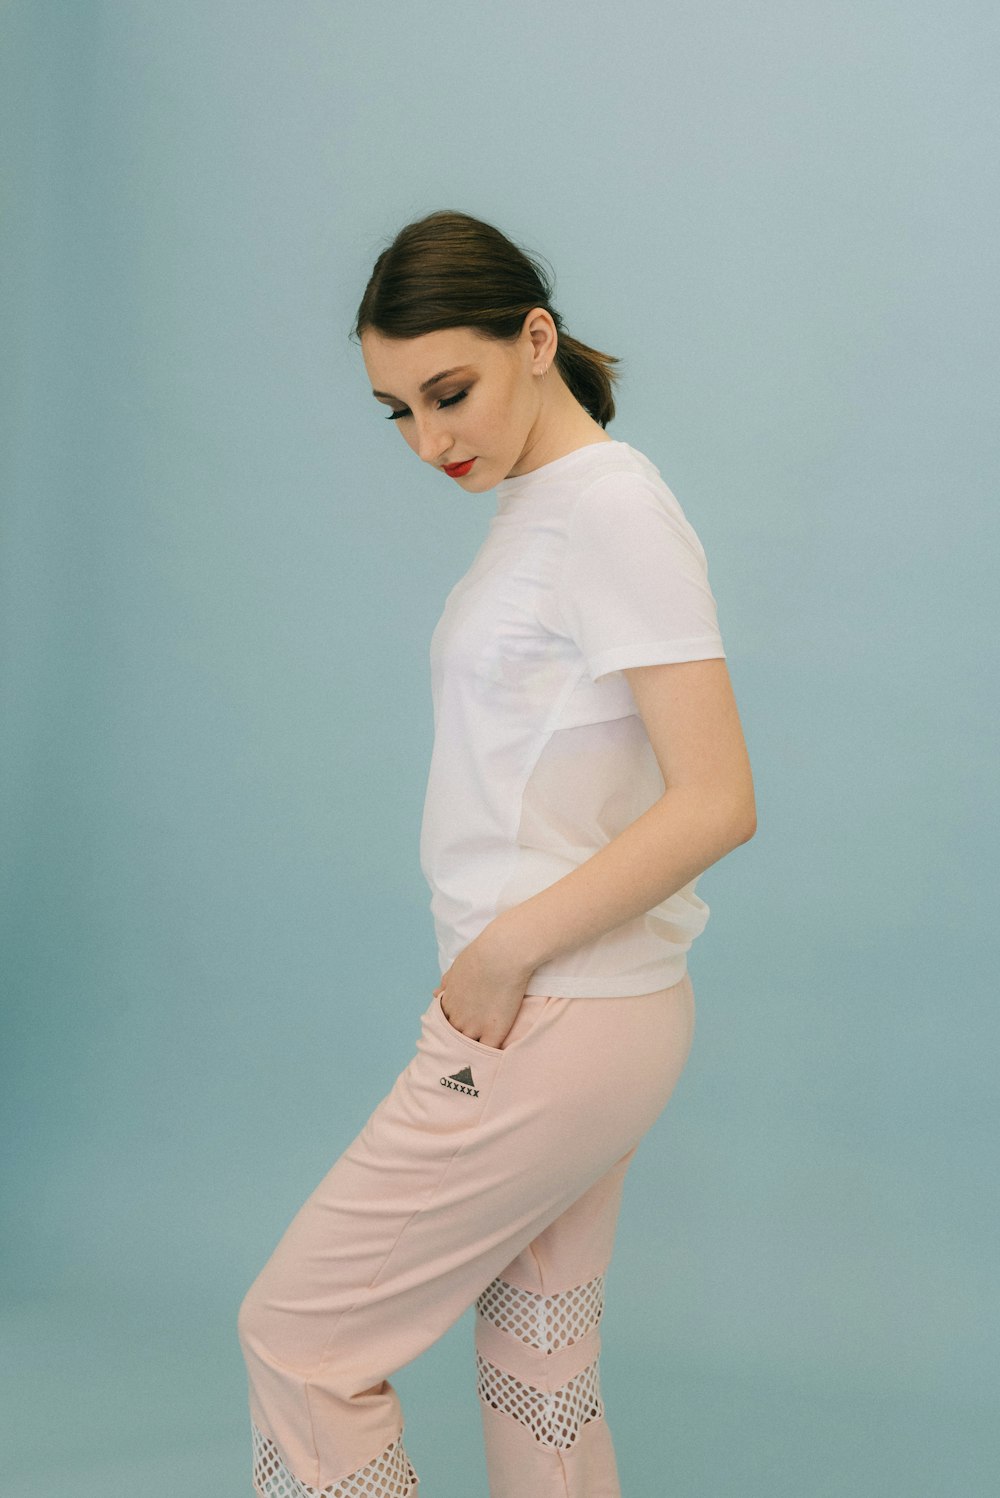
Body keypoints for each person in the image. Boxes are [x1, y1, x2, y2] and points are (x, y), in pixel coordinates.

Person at [237, 208, 756, 1497]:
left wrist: (504, 950)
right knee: (539, 1355)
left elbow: (717, 800)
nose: (428, 441)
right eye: (397, 410)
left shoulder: (608, 511)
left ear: (537, 339)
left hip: (552, 1011)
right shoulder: (548, 510)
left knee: (300, 1341)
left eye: (449, 392)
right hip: (586, 1013)